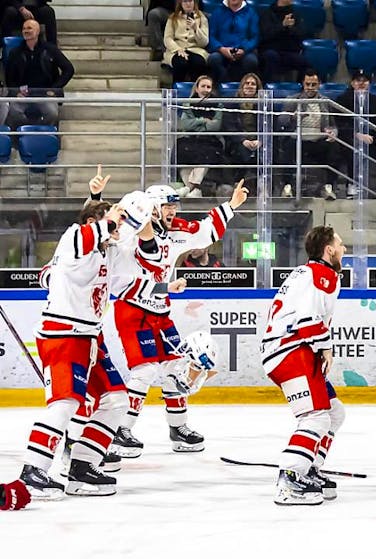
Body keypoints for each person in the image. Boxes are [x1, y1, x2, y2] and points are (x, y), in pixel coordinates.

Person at [15, 177, 136, 500]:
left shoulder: (107, 254)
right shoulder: (73, 238)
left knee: (116, 400)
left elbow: (133, 275)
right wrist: (105, 210)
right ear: (92, 222)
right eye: (109, 222)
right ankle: (33, 469)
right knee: (66, 402)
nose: (115, 229)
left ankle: (82, 467)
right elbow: (84, 239)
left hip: (90, 338)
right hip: (63, 334)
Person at [108, 183, 249, 459]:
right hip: (132, 310)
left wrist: (231, 205)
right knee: (145, 370)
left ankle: (178, 428)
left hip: (160, 311)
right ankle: (120, 430)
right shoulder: (128, 236)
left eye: (174, 206)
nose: (173, 211)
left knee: (177, 367)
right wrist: (165, 288)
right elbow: (122, 284)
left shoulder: (174, 232)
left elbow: (204, 231)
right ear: (152, 209)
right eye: (167, 206)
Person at [261, 225, 347, 505]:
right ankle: (290, 478)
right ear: (329, 249)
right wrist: (325, 347)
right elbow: (308, 318)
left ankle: (308, 467)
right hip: (291, 350)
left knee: (334, 412)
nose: (344, 249)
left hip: (290, 348)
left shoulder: (305, 272)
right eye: (341, 244)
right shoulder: (323, 275)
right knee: (315, 417)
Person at [331, 69, 376, 198]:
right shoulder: (343, 100)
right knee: (350, 147)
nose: (361, 84)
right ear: (352, 83)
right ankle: (351, 184)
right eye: (358, 81)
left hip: (372, 138)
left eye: (364, 81)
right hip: (349, 137)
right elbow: (340, 123)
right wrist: (357, 135)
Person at [4, 19, 73, 129]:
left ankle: (42, 134)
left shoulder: (50, 49)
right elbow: (9, 76)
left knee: (52, 113)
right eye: (24, 28)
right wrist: (16, 92)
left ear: (37, 31)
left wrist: (55, 88)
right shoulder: (15, 52)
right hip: (23, 95)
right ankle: (25, 133)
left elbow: (69, 69)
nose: (26, 31)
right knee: (13, 113)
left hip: (45, 94)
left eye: (29, 28)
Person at [280, 69, 337, 199]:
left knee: (334, 148)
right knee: (287, 147)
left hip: (318, 139)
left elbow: (333, 125)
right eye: (308, 84)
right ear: (303, 84)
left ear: (319, 85)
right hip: (297, 139)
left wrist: (332, 132)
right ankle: (287, 187)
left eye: (314, 84)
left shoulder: (326, 102)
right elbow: (281, 121)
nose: (310, 88)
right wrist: (293, 117)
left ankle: (328, 187)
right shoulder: (293, 100)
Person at [176, 75, 224, 197]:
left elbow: (216, 126)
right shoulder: (188, 103)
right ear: (196, 88)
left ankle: (190, 188)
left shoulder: (218, 104)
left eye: (209, 87)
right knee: (180, 149)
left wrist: (196, 124)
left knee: (207, 151)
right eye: (203, 86)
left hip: (210, 139)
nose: (206, 89)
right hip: (191, 138)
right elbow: (185, 124)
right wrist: (203, 120)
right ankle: (194, 189)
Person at [221, 72, 262, 189]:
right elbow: (229, 126)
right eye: (247, 83)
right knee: (242, 152)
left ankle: (259, 185)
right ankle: (241, 184)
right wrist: (243, 140)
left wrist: (260, 140)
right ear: (242, 86)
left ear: (257, 88)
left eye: (253, 84)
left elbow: (269, 125)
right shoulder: (232, 103)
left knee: (265, 152)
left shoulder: (263, 104)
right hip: (238, 140)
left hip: (258, 140)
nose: (249, 86)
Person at [206, 0, 259, 83]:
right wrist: (221, 49)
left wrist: (244, 49)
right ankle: (223, 86)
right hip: (222, 50)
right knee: (214, 59)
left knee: (251, 61)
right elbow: (211, 36)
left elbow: (255, 37)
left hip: (243, 51)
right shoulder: (217, 12)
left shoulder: (251, 13)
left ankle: (242, 87)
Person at [259, 0, 308, 84]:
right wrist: (282, 26)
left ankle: (300, 90)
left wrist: (291, 28)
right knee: (271, 56)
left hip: (289, 51)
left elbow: (301, 34)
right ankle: (269, 88)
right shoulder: (267, 13)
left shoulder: (295, 14)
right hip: (271, 50)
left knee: (304, 62)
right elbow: (266, 34)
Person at [163, 0, 209, 85]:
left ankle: (195, 90)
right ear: (181, 3)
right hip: (177, 49)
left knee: (198, 63)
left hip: (195, 49)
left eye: (190, 1)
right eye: (185, 1)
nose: (188, 4)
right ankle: (177, 89)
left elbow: (204, 42)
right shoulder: (173, 18)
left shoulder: (202, 18)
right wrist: (177, 49)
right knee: (180, 62)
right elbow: (168, 38)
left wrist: (196, 29)